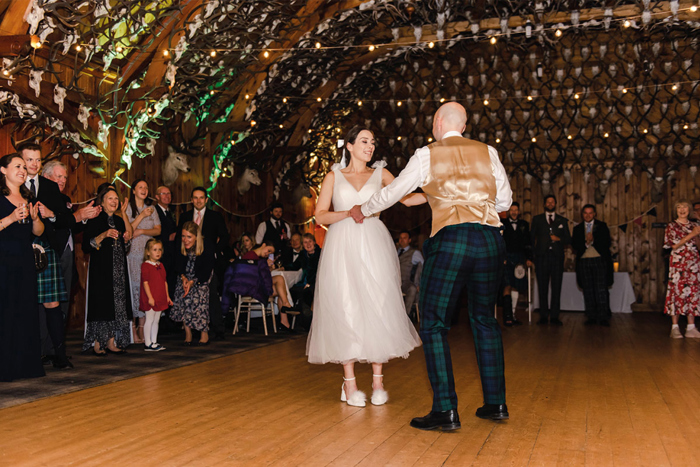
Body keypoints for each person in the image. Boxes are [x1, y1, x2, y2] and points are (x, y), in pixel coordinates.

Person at [349, 102, 513, 428]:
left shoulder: (428, 154)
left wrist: (363, 209)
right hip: (491, 241)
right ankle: (496, 405)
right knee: (485, 320)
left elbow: (395, 191)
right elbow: (505, 202)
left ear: (438, 122)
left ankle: (445, 410)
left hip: (452, 240)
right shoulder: (488, 151)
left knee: (434, 323)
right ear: (463, 126)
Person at [307, 125, 421, 409]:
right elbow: (319, 214)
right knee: (345, 308)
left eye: (372, 141)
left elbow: (407, 198)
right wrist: (348, 212)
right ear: (349, 145)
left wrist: (440, 193)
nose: (370, 146)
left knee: (377, 305)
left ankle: (378, 381)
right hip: (341, 246)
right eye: (364, 141)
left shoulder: (381, 174)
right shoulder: (334, 176)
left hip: (373, 245)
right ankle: (350, 383)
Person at [19, 143, 76, 369]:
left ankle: (59, 354)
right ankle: (29, 354)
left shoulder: (51, 187)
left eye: (37, 160)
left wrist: (51, 215)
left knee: (53, 303)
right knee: (24, 303)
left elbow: (65, 220)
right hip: (20, 248)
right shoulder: (10, 185)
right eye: (29, 160)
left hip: (46, 248)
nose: (34, 164)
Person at [0, 153, 45, 381]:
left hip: (25, 261)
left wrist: (36, 219)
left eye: (24, 167)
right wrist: (9, 218)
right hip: (4, 261)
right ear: (3, 170)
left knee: (25, 310)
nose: (23, 170)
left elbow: (37, 232)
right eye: (17, 166)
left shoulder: (28, 196)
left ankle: (24, 365)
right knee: (5, 311)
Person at [82, 186, 133, 355]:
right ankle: (98, 343)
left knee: (116, 305)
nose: (114, 201)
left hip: (118, 269)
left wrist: (126, 240)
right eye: (110, 199)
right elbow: (86, 246)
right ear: (102, 202)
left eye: (116, 199)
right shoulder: (95, 220)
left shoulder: (119, 221)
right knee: (102, 304)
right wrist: (104, 235)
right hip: (102, 270)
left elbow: (127, 243)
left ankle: (111, 342)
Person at [177, 187, 228, 340]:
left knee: (210, 295)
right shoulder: (185, 216)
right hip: (188, 262)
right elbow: (179, 241)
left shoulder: (215, 216)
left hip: (208, 262)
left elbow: (225, 237)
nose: (198, 200)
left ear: (206, 200)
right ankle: (189, 330)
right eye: (195, 198)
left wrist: (213, 251)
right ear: (191, 200)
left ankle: (217, 328)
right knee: (187, 296)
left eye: (201, 198)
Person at [221, 243, 296, 331]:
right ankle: (285, 307)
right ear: (263, 245)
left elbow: (261, 275)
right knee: (280, 280)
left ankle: (284, 321)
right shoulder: (250, 256)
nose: (267, 253)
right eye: (268, 250)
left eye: (270, 253)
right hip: (249, 288)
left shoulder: (258, 258)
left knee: (281, 289)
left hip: (255, 285)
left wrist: (268, 268)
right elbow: (251, 276)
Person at [125, 179, 161, 344]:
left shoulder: (152, 208)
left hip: (148, 255)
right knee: (133, 290)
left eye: (146, 187)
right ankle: (133, 330)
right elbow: (128, 231)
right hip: (132, 254)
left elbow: (158, 230)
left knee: (146, 290)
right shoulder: (128, 208)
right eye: (140, 187)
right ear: (133, 190)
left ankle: (143, 327)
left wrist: (142, 231)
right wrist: (141, 216)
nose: (144, 190)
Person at [170, 221, 215, 345]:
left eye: (189, 237)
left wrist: (192, 282)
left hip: (201, 280)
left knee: (198, 297)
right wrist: (184, 278)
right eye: (184, 236)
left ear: (196, 236)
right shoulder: (181, 245)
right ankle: (188, 333)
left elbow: (207, 270)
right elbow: (178, 265)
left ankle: (204, 333)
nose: (185, 240)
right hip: (186, 277)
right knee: (183, 295)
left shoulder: (207, 245)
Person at [530, 195, 571, 325]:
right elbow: (531, 239)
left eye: (552, 202)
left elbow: (569, 239)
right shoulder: (537, 219)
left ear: (555, 204)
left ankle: (554, 316)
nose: (550, 203)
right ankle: (543, 316)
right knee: (542, 287)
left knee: (556, 287)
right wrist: (532, 256)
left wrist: (559, 239)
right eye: (548, 202)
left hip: (557, 258)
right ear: (544, 204)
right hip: (541, 257)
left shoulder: (562, 220)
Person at [663, 200, 700, 338]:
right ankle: (675, 327)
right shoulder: (672, 226)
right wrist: (691, 234)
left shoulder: (694, 225)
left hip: (693, 262)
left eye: (685, 207)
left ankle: (691, 326)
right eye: (679, 207)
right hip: (678, 262)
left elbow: (698, 245)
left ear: (689, 210)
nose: (682, 210)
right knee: (677, 291)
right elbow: (673, 246)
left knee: (692, 291)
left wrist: (696, 236)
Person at [572, 205, 613, 326]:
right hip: (584, 261)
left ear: (594, 214)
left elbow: (607, 243)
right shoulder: (578, 228)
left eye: (590, 213)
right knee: (588, 289)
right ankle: (591, 316)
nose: (588, 215)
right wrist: (586, 243)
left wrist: (593, 241)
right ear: (582, 214)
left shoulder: (602, 226)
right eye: (585, 213)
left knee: (601, 290)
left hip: (599, 260)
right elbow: (574, 245)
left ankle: (603, 316)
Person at [501, 202, 533, 326]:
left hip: (519, 258)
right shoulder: (502, 224)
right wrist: (502, 257)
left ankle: (513, 315)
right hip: (506, 258)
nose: (514, 212)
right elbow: (500, 242)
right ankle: (507, 316)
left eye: (516, 210)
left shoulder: (524, 224)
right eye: (512, 210)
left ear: (519, 212)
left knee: (516, 286)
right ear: (509, 211)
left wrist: (529, 258)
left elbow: (527, 243)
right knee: (507, 285)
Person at [140, 238, 172, 351]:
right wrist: (150, 297)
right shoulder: (146, 265)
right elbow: (145, 283)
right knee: (149, 319)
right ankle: (147, 343)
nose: (158, 252)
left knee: (156, 320)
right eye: (154, 250)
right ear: (148, 252)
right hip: (151, 298)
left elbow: (164, 282)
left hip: (160, 297)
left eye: (159, 249)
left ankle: (154, 341)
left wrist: (167, 296)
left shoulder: (160, 265)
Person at [153, 186, 177, 291]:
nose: (167, 196)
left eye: (169, 193)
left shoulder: (170, 212)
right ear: (157, 197)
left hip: (171, 254)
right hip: (160, 254)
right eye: (163, 194)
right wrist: (168, 237)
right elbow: (152, 232)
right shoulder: (154, 211)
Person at [396, 230, 424, 319]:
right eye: (400, 238)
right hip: (393, 281)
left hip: (405, 282)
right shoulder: (394, 252)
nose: (402, 240)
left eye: (404, 238)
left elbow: (422, 267)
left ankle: (405, 317)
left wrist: (419, 283)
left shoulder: (415, 253)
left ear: (409, 240)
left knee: (412, 288)